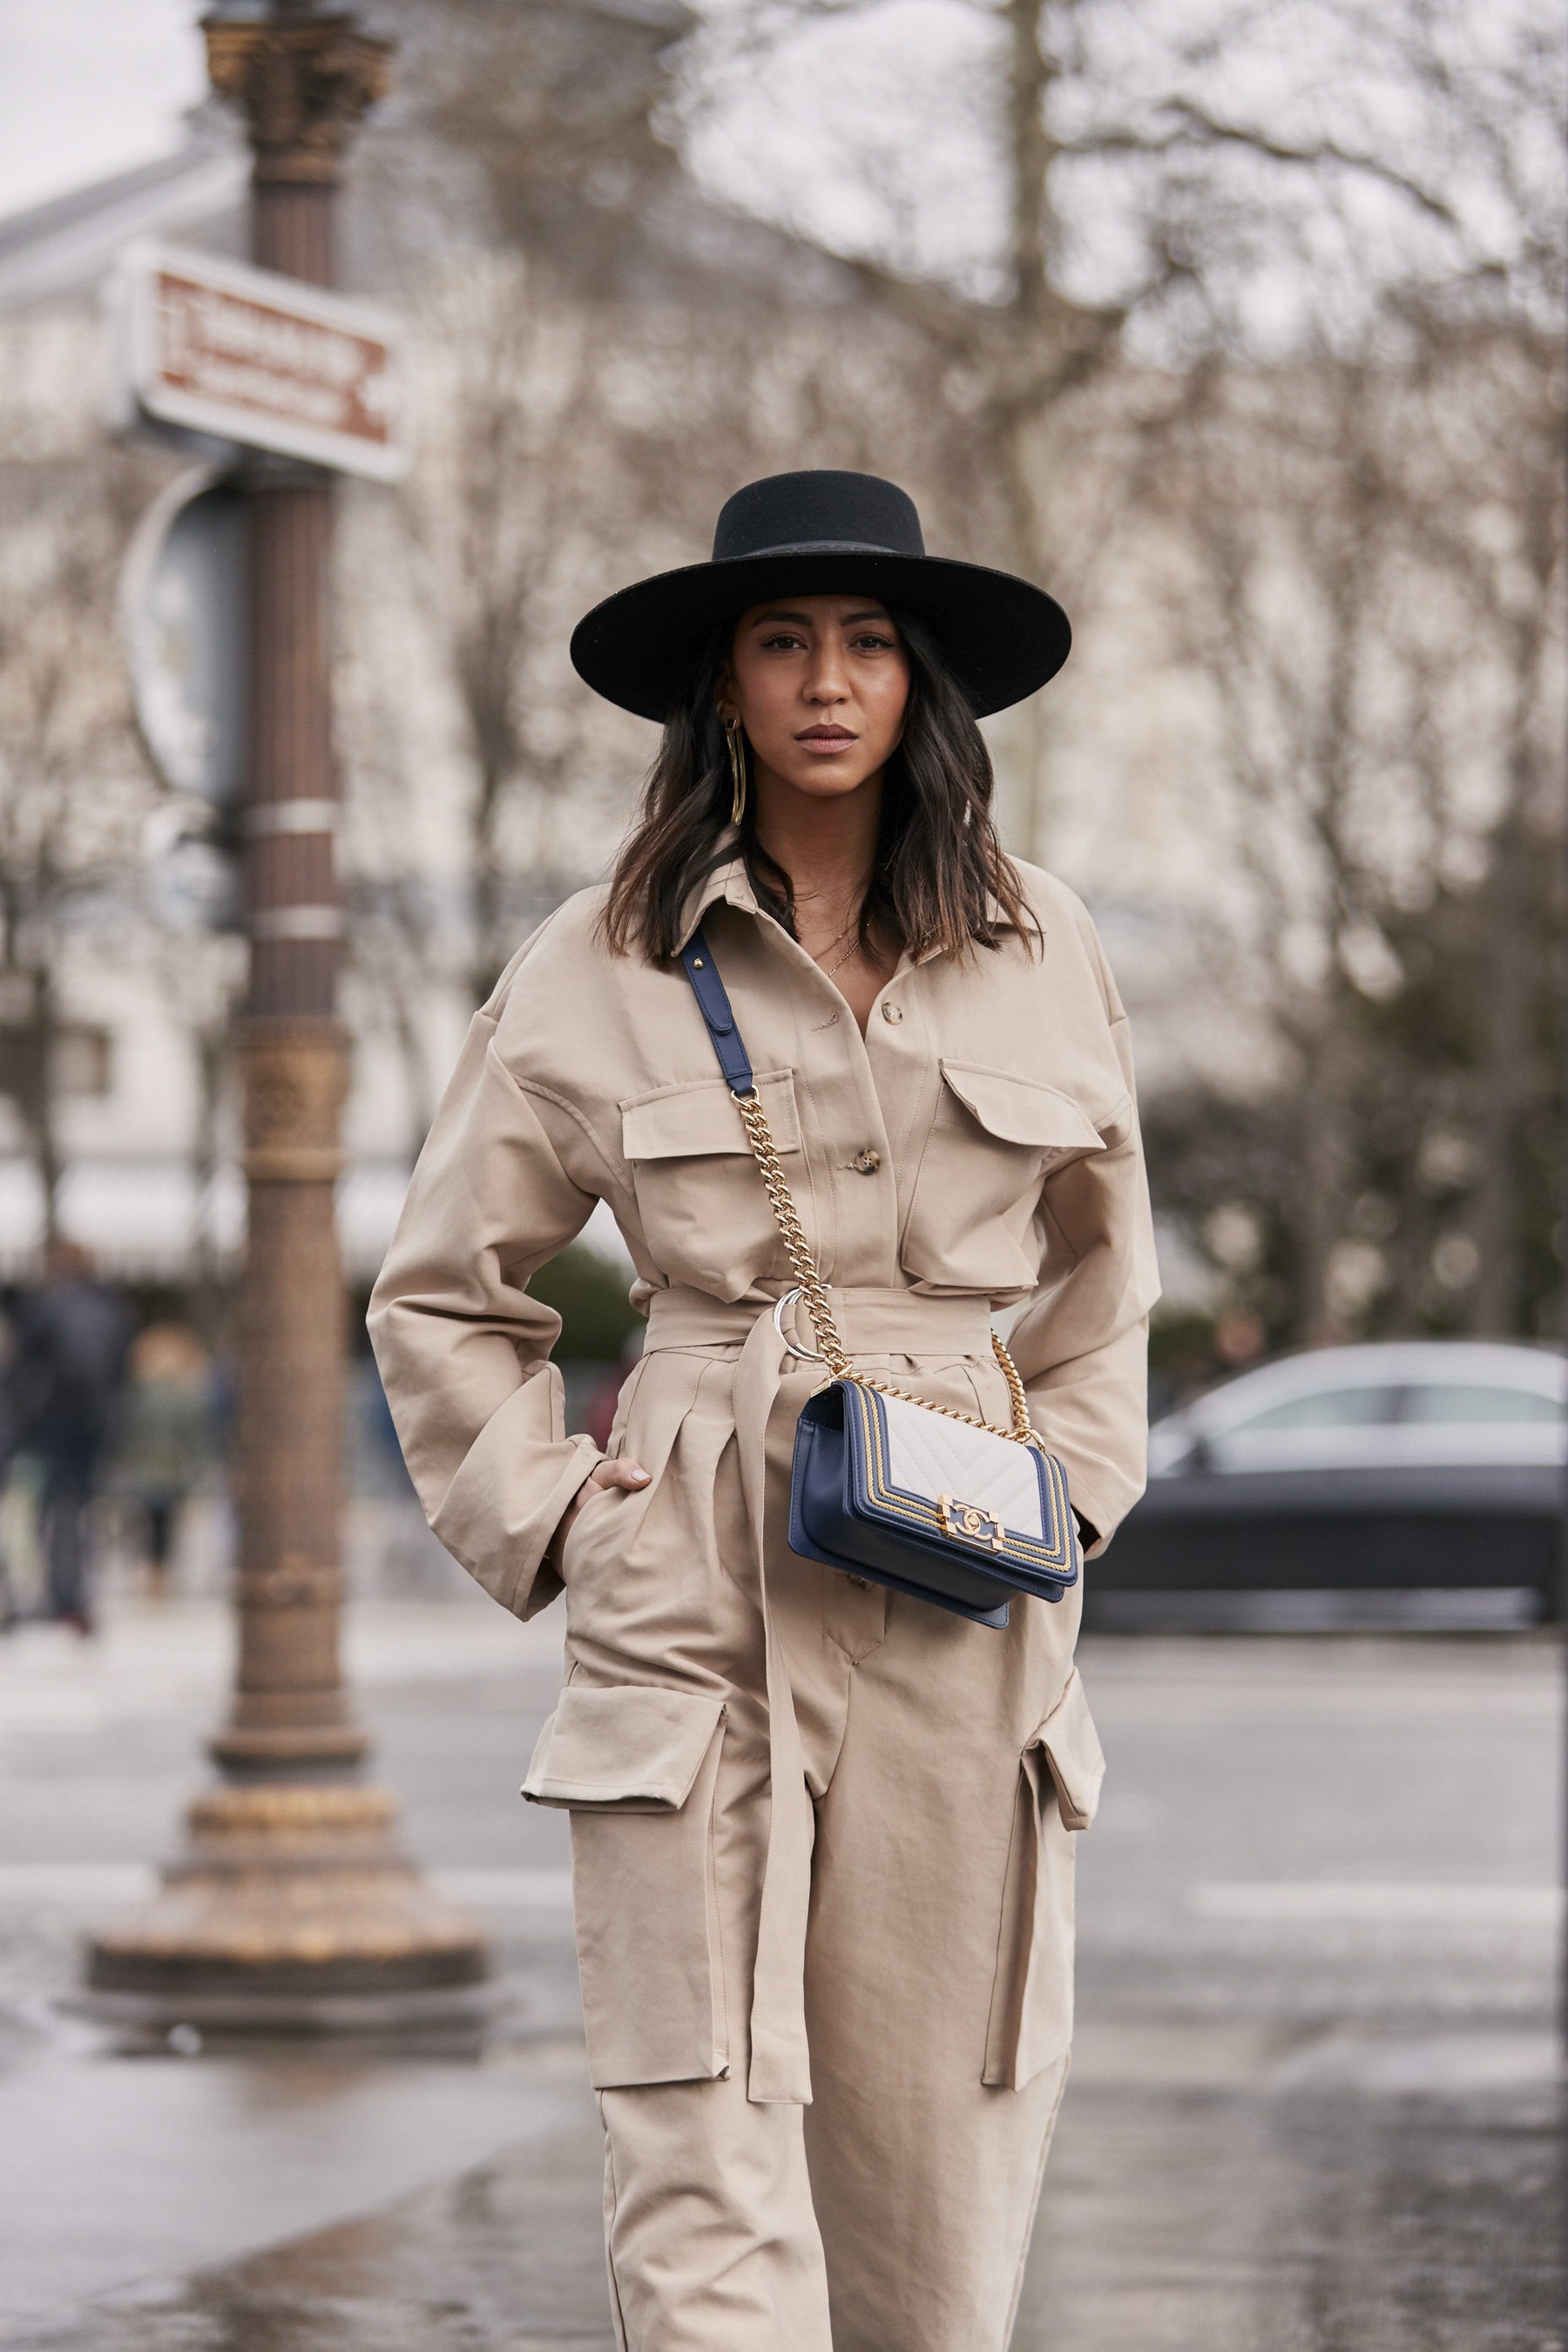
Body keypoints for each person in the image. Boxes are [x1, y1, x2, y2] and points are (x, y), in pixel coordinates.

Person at [369, 471, 1158, 2351]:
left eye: (869, 644)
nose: (827, 682)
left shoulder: (1039, 936)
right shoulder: (600, 951)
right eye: (782, 642)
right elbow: (439, 1287)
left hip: (963, 1562)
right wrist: (567, 1518)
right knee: (699, 2157)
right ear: (719, 686)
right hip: (693, 1561)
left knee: (931, 2202)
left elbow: (1106, 1279)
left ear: (922, 685)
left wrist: (1073, 1495)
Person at [11, 1240, 132, 1634]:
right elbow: (120, 1372)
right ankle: (74, 1590)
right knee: (79, 1507)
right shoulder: (110, 1308)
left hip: (54, 1423)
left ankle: (61, 1593)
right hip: (96, 1424)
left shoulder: (47, 1307)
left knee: (54, 1508)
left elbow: (25, 1370)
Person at [112, 1322, 217, 1596]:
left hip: (142, 1469)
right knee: (165, 1526)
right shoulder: (184, 1397)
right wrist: (203, 1463)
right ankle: (160, 1576)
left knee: (144, 1525)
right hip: (172, 1470)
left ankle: (150, 1573)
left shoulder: (135, 1395)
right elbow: (195, 1436)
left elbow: (124, 1433)